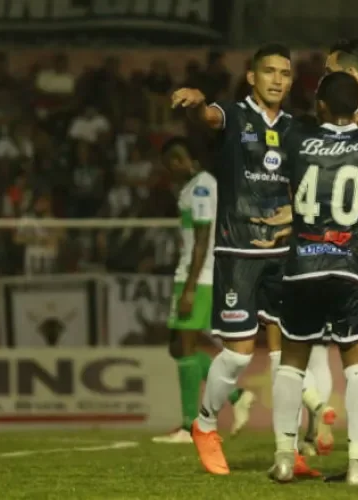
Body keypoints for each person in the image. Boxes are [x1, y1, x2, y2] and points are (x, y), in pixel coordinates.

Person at [170, 43, 319, 477]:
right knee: (236, 356)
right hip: (239, 252)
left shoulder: (296, 128)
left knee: (285, 356)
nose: (277, 79)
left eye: (285, 73)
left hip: (285, 252)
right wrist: (197, 104)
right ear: (252, 77)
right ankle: (205, 424)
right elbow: (207, 118)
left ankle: (287, 453)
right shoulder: (233, 115)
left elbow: (307, 182)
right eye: (269, 71)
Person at [266, 71, 358, 486]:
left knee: (291, 364)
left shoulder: (296, 141)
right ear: (356, 106)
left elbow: (290, 193)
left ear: (321, 105)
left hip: (303, 267)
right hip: (353, 269)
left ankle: (285, 458)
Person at [150, 137, 256, 445]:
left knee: (184, 346)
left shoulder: (200, 187)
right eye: (170, 161)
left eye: (177, 159)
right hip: (197, 275)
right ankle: (237, 395)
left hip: (199, 277)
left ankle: (188, 426)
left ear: (188, 160)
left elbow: (202, 237)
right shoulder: (196, 186)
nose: (173, 166)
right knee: (178, 347)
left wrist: (191, 287)